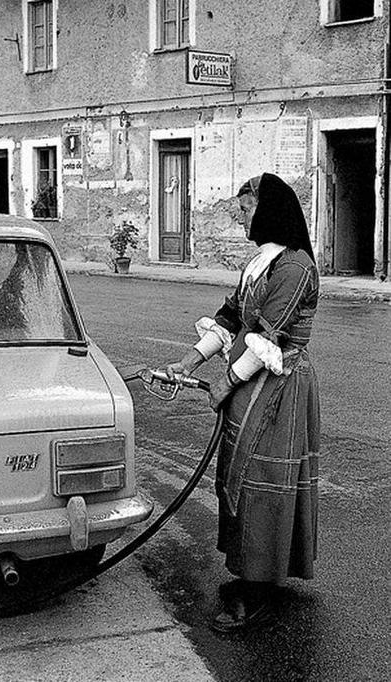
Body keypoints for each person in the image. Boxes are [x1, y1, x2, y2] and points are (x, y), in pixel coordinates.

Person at [166, 172, 320, 633]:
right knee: (238, 474)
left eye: (246, 210)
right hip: (250, 386)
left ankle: (261, 593)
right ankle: (250, 576)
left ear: (269, 210)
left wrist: (224, 383)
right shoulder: (260, 263)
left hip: (281, 387)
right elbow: (231, 317)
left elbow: (269, 338)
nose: (241, 219)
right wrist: (187, 363)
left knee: (263, 480)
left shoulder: (295, 268)